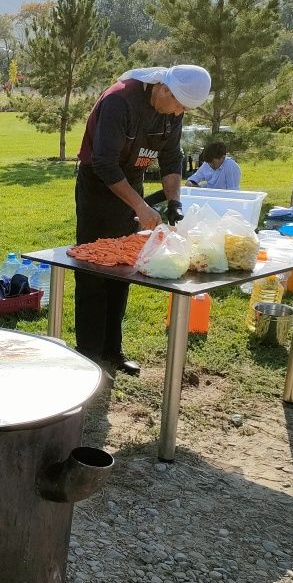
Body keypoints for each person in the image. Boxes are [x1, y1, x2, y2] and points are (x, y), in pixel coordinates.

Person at [74, 64, 212, 376]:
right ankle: (89, 357)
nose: (178, 114)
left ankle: (112, 351)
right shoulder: (119, 101)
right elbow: (105, 163)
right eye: (178, 106)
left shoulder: (173, 108)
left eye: (184, 110)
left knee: (124, 267)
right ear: (164, 88)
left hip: (131, 183)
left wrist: (174, 200)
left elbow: (171, 157)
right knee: (93, 271)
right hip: (98, 185)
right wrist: (142, 207)